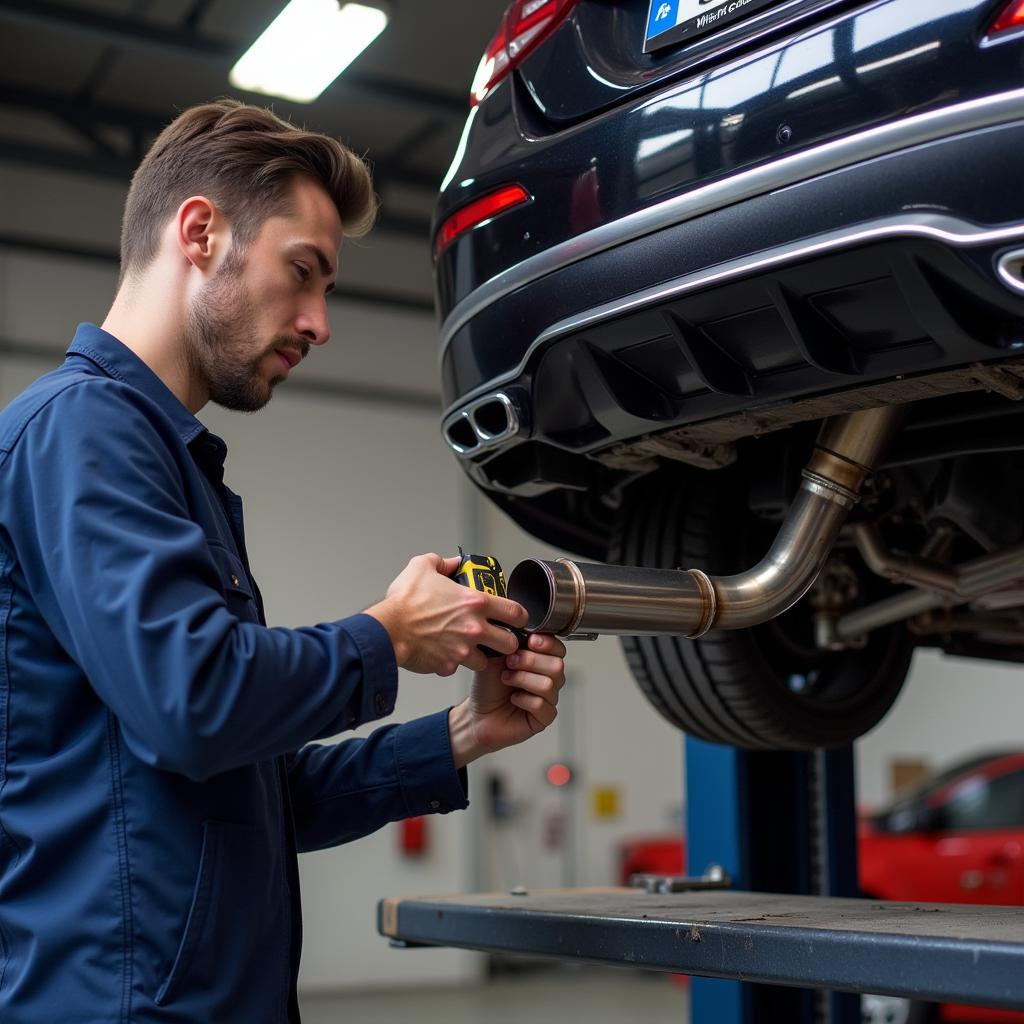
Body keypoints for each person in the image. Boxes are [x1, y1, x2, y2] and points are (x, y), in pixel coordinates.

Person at [0, 99, 566, 1023]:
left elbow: (250, 800)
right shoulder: (82, 432)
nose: (319, 321)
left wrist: (462, 736)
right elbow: (198, 704)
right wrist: (388, 636)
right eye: (302, 272)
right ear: (199, 232)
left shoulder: (166, 463)